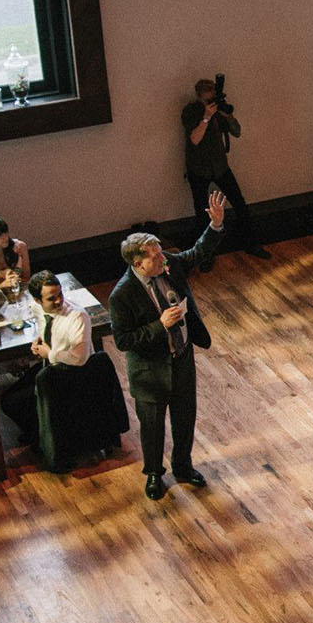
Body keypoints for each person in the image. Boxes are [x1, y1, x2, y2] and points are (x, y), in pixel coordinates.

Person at [108, 189, 228, 500]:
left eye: (162, 253)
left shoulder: (169, 266)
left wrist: (214, 226)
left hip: (182, 358)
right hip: (150, 370)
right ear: (138, 262)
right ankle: (153, 474)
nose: (163, 258)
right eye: (155, 255)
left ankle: (183, 466)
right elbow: (123, 340)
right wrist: (159, 326)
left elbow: (195, 254)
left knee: (185, 416)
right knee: (152, 426)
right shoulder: (122, 295)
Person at [17, 270, 127, 472]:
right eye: (51, 298)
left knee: (33, 391)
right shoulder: (37, 308)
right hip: (53, 368)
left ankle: (55, 445)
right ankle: (38, 433)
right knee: (11, 400)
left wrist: (50, 353)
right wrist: (38, 340)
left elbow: (79, 357)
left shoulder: (77, 316)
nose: (59, 301)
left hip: (76, 374)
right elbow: (43, 326)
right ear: (37, 300)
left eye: (60, 294)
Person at [183, 76, 269, 260]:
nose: (210, 102)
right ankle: (205, 256)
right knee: (202, 212)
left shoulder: (218, 110)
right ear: (199, 97)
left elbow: (237, 132)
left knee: (239, 203)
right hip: (198, 168)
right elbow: (194, 139)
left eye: (212, 98)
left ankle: (251, 244)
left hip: (219, 166)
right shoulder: (190, 112)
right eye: (207, 99)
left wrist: (227, 116)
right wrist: (206, 118)